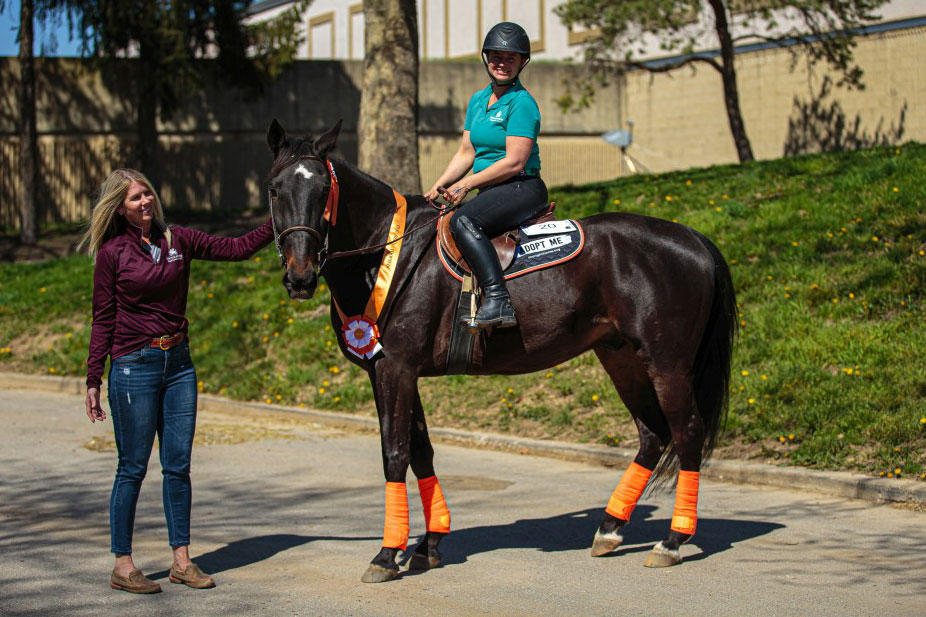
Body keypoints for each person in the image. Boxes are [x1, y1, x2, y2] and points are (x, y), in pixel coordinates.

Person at [81, 169, 274, 593]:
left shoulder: (178, 240)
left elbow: (238, 249)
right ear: (119, 207)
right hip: (133, 365)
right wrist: (94, 378)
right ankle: (123, 564)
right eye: (134, 199)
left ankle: (181, 561)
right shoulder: (113, 253)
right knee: (132, 468)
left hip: (179, 365)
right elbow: (103, 318)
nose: (145, 202)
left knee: (178, 466)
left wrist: (280, 219)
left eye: (147, 193)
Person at [426, 21, 547, 329]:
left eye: (510, 58)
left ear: (522, 63)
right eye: (495, 56)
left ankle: (498, 299)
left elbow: (514, 162)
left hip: (522, 187)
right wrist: (439, 186)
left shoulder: (523, 104)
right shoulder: (478, 100)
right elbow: (467, 151)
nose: (501, 63)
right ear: (486, 59)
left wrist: (465, 184)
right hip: (491, 190)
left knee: (464, 220)